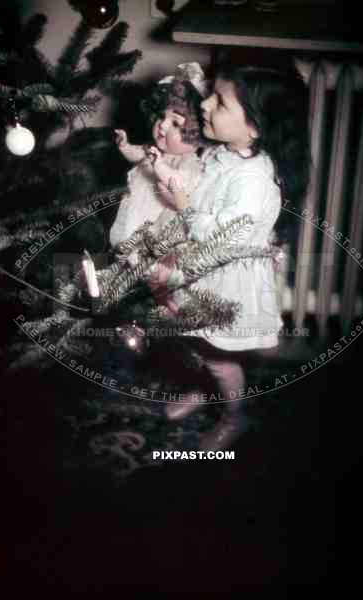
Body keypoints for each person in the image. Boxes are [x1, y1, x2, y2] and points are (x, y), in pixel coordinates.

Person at [149, 56, 310, 451]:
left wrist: (184, 204)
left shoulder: (254, 180)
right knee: (194, 342)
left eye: (219, 103)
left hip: (225, 283)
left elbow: (220, 238)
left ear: (255, 126)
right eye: (211, 96)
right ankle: (206, 389)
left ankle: (235, 415)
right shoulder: (224, 152)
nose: (204, 105)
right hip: (200, 273)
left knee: (219, 356)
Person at [108, 62, 208, 266]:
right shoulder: (155, 150)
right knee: (126, 235)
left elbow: (177, 186)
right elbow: (138, 155)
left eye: (176, 124)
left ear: (197, 135)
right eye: (162, 116)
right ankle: (124, 258)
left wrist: (160, 166)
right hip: (136, 206)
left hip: (158, 218)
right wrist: (125, 147)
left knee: (148, 250)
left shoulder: (190, 164)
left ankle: (141, 266)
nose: (162, 125)